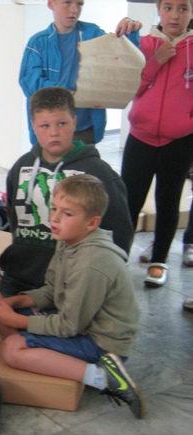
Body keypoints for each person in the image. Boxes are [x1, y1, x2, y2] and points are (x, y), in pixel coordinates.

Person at [0, 174, 145, 420]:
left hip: (103, 342)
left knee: (11, 349)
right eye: (54, 209)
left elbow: (68, 325)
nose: (54, 218)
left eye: (67, 214)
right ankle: (45, 352)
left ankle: (104, 377)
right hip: (81, 323)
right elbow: (52, 292)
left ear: (92, 223)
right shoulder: (69, 240)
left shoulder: (91, 264)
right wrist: (14, 302)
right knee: (7, 318)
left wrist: (15, 321)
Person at [0, 87, 133, 298]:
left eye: (61, 123)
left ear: (74, 122)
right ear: (33, 126)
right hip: (20, 274)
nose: (54, 133)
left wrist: (105, 274)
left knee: (46, 320)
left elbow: (120, 230)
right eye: (44, 125)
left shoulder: (99, 173)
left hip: (73, 278)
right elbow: (14, 219)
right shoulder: (21, 167)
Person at [121, 0, 193, 287]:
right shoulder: (143, 43)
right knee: (129, 200)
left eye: (183, 8)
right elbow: (131, 88)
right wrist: (157, 61)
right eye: (168, 7)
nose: (175, 15)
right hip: (140, 137)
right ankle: (118, 258)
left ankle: (159, 261)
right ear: (159, 10)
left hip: (180, 141)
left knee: (169, 201)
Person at [19, 0, 141, 146]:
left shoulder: (93, 33)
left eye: (79, 4)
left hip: (84, 128)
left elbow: (122, 57)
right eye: (67, 3)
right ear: (51, 4)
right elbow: (29, 82)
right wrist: (63, 92)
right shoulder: (38, 42)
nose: (74, 10)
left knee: (85, 160)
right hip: (50, 129)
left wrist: (129, 29)